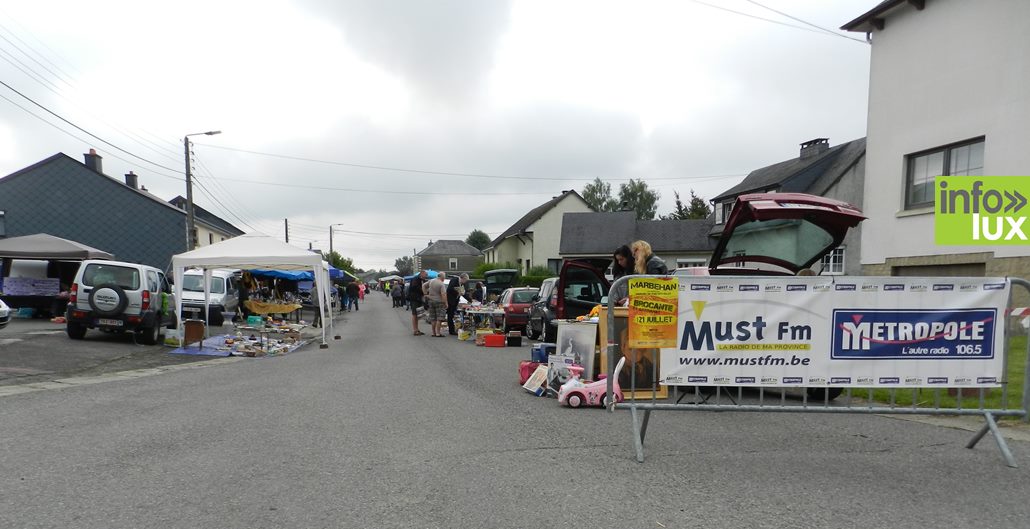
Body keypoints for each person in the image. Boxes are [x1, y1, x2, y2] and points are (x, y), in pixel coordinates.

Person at [424, 271, 448, 337]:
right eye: (444, 277)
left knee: (433, 318)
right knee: (439, 318)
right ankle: (438, 333)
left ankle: (433, 333)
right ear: (442, 277)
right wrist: (445, 303)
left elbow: (423, 286)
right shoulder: (441, 284)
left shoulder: (431, 281)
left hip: (431, 301)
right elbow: (443, 294)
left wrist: (425, 294)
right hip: (439, 302)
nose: (444, 279)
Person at [408, 271, 428, 335]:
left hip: (419, 299)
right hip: (414, 299)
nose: (426, 276)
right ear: (421, 274)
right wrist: (423, 291)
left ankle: (417, 329)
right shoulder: (415, 279)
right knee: (414, 314)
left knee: (418, 314)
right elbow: (414, 287)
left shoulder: (422, 280)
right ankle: (415, 330)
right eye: (426, 275)